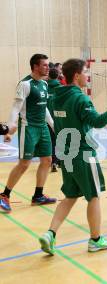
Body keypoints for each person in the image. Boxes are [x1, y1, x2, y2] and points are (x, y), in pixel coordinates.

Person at [39, 58, 107, 255]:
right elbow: (97, 121)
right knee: (93, 196)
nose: (88, 76)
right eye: (85, 72)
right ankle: (95, 240)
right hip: (83, 154)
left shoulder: (55, 97)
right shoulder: (80, 98)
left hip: (65, 156)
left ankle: (50, 234)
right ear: (77, 75)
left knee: (70, 196)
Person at [1, 54, 56, 213]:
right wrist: (9, 128)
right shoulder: (25, 84)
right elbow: (16, 107)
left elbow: (44, 107)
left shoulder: (44, 84)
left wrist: (53, 125)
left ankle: (38, 196)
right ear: (35, 66)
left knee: (47, 160)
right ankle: (4, 195)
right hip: (28, 127)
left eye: (48, 65)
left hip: (42, 127)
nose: (48, 67)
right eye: (44, 65)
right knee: (24, 164)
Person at [47, 68, 62, 172]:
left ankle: (54, 162)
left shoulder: (43, 86)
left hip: (47, 119)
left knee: (51, 141)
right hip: (59, 119)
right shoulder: (61, 88)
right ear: (58, 76)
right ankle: (61, 161)